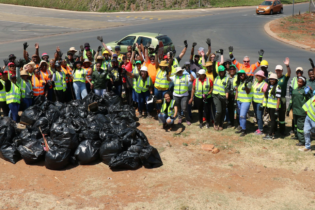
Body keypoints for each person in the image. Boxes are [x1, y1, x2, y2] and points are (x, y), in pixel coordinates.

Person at [287, 76, 312, 146]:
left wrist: (308, 92)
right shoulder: (295, 90)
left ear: (304, 83)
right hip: (295, 111)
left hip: (301, 112)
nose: (299, 83)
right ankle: (296, 136)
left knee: (300, 126)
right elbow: (292, 100)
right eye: (298, 81)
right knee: (295, 125)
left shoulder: (305, 90)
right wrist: (288, 109)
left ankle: (302, 141)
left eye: (301, 82)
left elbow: (309, 99)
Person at [262, 73, 281, 140]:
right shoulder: (269, 87)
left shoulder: (278, 87)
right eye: (270, 79)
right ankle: (272, 133)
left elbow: (278, 99)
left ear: (276, 80)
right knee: (272, 120)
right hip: (269, 106)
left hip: (274, 107)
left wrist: (277, 109)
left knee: (273, 120)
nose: (271, 80)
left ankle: (270, 134)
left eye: (273, 79)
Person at [235, 70, 253, 136]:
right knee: (240, 116)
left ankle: (244, 130)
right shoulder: (239, 82)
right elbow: (237, 92)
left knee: (242, 115)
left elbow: (248, 91)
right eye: (239, 75)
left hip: (246, 101)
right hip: (239, 101)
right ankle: (241, 128)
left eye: (242, 74)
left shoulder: (249, 82)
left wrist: (246, 86)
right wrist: (235, 100)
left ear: (244, 74)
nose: (241, 76)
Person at [212, 65, 230, 130]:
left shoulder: (227, 78)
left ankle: (221, 124)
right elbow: (213, 71)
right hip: (216, 96)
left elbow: (227, 89)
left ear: (224, 71)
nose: (221, 72)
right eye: (220, 71)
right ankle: (216, 123)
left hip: (223, 97)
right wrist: (214, 62)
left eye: (222, 71)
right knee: (219, 111)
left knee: (223, 111)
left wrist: (227, 99)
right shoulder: (216, 77)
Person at [252, 70, 268, 135]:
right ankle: (259, 127)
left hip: (260, 103)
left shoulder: (265, 84)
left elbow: (265, 95)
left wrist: (263, 104)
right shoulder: (256, 82)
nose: (258, 77)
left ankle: (261, 129)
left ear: (262, 77)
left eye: (259, 76)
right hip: (254, 102)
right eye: (257, 76)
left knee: (259, 116)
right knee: (256, 115)